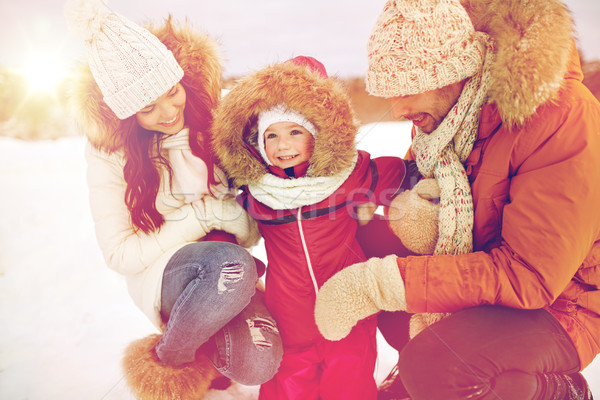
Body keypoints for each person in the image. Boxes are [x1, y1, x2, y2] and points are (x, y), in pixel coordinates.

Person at [314, 0, 600, 399]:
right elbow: (417, 199)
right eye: (391, 93)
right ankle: (421, 365)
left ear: (453, 73)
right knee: (359, 239)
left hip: (560, 307)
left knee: (434, 366)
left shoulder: (561, 117)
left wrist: (381, 284)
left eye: (409, 89)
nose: (397, 109)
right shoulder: (446, 122)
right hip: (486, 274)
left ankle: (554, 389)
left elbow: (530, 277)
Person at [65, 1, 282, 399]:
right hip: (162, 272)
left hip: (232, 262)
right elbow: (120, 255)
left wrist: (229, 215)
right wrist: (199, 217)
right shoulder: (109, 154)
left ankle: (208, 334)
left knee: (259, 362)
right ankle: (170, 358)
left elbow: (253, 223)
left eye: (172, 92)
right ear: (127, 115)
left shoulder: (217, 123)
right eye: (147, 108)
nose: (168, 113)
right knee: (229, 265)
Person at [210, 56, 422, 399]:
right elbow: (226, 220)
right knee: (292, 384)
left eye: (295, 132)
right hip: (291, 314)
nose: (283, 145)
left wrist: (426, 184)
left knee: (349, 382)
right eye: (272, 135)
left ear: (318, 134)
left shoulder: (349, 174)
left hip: (348, 307)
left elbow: (402, 174)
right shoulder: (259, 192)